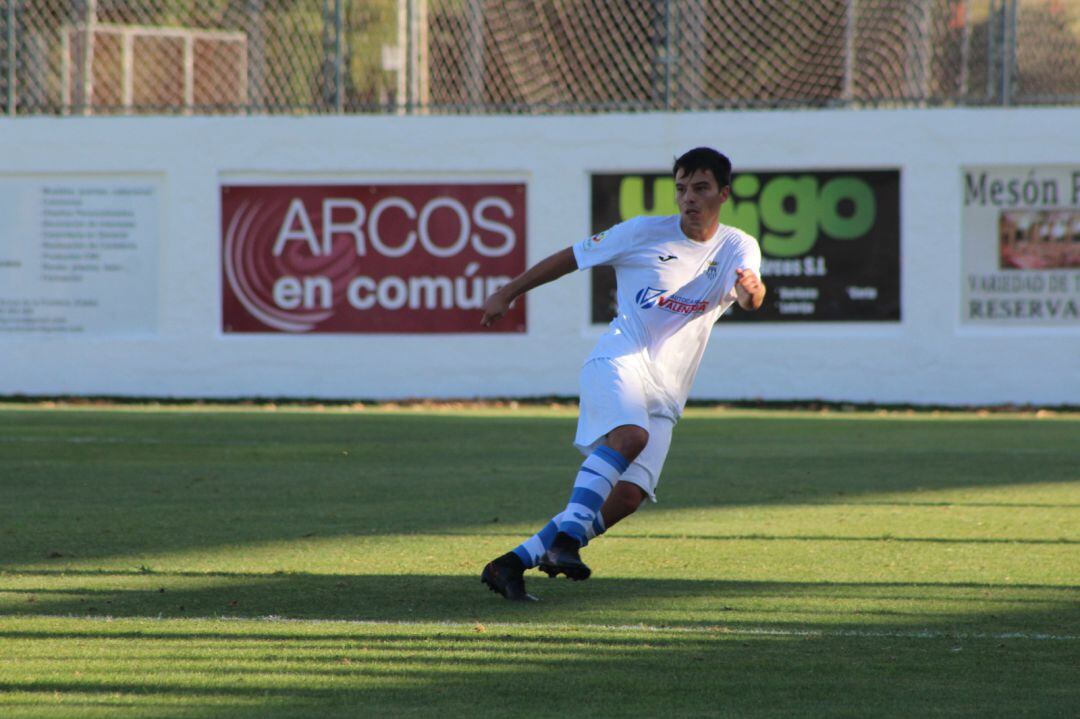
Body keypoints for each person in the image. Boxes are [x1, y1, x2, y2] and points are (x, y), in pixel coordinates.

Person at [479, 147, 765, 601]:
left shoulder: (737, 245)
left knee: (627, 498)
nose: (688, 197)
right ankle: (566, 542)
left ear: (723, 194)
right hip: (619, 360)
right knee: (630, 437)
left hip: (669, 391)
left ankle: (510, 564)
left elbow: (751, 295)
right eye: (681, 188)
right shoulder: (642, 232)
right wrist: (509, 291)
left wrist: (751, 293)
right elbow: (572, 257)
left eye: (701, 188)